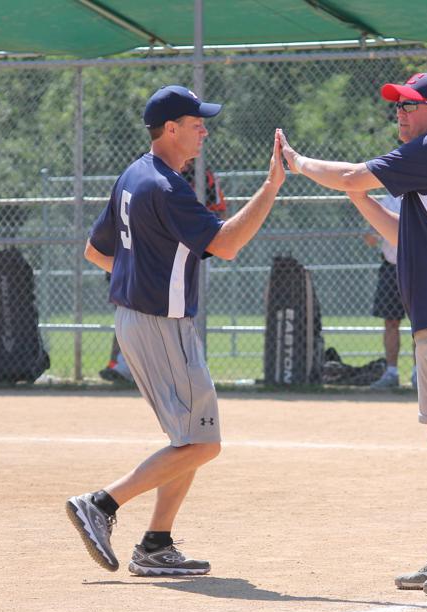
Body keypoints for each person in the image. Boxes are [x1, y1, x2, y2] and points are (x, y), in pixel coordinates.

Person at [279, 72, 427, 596]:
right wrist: (355, 192)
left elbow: (355, 172)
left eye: (411, 104)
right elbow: (398, 232)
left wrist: (300, 164)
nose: (400, 113)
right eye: (397, 106)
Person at [65, 85, 285, 576]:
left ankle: (157, 543)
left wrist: (138, 277)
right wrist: (270, 187)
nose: (204, 129)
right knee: (203, 444)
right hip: (160, 325)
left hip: (141, 320)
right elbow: (226, 245)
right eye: (195, 122)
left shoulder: (133, 175)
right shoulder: (166, 186)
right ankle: (100, 504)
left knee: (189, 438)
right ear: (170, 130)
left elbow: (96, 250)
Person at [99, 162, 227, 387]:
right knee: (134, 310)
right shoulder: (149, 174)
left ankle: (178, 369)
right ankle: (122, 365)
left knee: (178, 313)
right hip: (148, 252)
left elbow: (219, 214)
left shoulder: (203, 177)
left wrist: (190, 222)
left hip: (187, 254)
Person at [363, 193, 409, 389]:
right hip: (391, 267)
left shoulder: (424, 194)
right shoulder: (388, 200)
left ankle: (420, 373)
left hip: (420, 266)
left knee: (424, 324)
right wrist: (371, 234)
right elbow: (370, 238)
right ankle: (391, 372)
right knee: (390, 322)